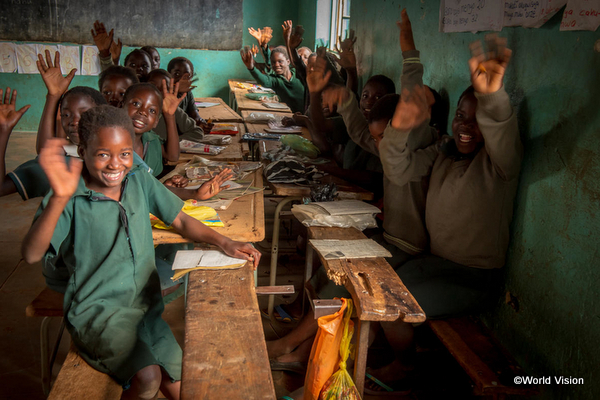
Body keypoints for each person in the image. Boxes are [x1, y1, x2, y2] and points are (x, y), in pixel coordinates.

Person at [21, 105, 261, 399]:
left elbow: (181, 219)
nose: (115, 165)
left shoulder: (137, 179)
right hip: (100, 311)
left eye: (124, 153)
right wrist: (59, 197)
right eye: (102, 154)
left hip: (145, 307)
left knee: (183, 386)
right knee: (148, 377)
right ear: (82, 150)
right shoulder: (70, 195)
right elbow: (32, 254)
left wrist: (225, 242)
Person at [122, 82, 180, 177]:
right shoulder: (111, 143)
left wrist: (169, 116)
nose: (143, 112)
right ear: (121, 105)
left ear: (156, 121)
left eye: (152, 110)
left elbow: (172, 156)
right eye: (136, 104)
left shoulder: (150, 140)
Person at [240, 34, 305, 114]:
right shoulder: (276, 80)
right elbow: (264, 81)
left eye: (280, 61)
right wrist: (251, 68)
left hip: (307, 115)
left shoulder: (298, 74)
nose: (276, 65)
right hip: (292, 116)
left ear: (288, 62)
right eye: (273, 62)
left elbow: (298, 63)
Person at [146, 69, 204, 143]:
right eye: (153, 86)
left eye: (165, 88)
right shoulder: (138, 111)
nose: (157, 91)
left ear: (170, 92)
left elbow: (197, 132)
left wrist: (172, 143)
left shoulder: (173, 110)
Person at [166, 57, 212, 134]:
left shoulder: (187, 93)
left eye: (186, 76)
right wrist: (177, 92)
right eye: (177, 74)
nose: (181, 79)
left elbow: (195, 115)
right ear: (169, 75)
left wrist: (201, 123)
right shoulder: (165, 93)